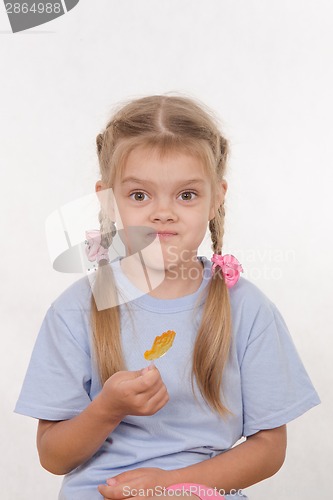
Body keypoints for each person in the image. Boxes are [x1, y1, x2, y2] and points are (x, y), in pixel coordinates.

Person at [14, 94, 320, 500]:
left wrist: (171, 484)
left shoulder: (247, 309)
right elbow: (54, 457)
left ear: (216, 197)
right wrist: (108, 409)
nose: (163, 213)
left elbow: (268, 450)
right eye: (140, 195)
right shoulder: (75, 310)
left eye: (186, 195)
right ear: (108, 199)